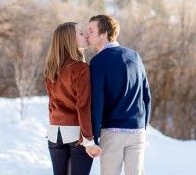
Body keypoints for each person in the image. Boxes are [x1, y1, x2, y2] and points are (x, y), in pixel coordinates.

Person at [87, 14, 151, 175]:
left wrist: (93, 137)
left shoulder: (98, 61)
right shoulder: (135, 56)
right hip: (137, 131)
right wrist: (143, 125)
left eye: (91, 30)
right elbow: (146, 95)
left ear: (104, 34)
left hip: (113, 132)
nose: (87, 34)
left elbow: (97, 101)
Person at [44, 22, 102, 175]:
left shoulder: (51, 68)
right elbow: (83, 106)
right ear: (71, 39)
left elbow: (51, 104)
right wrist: (88, 140)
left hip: (54, 133)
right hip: (77, 134)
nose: (85, 36)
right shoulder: (80, 69)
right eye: (81, 33)